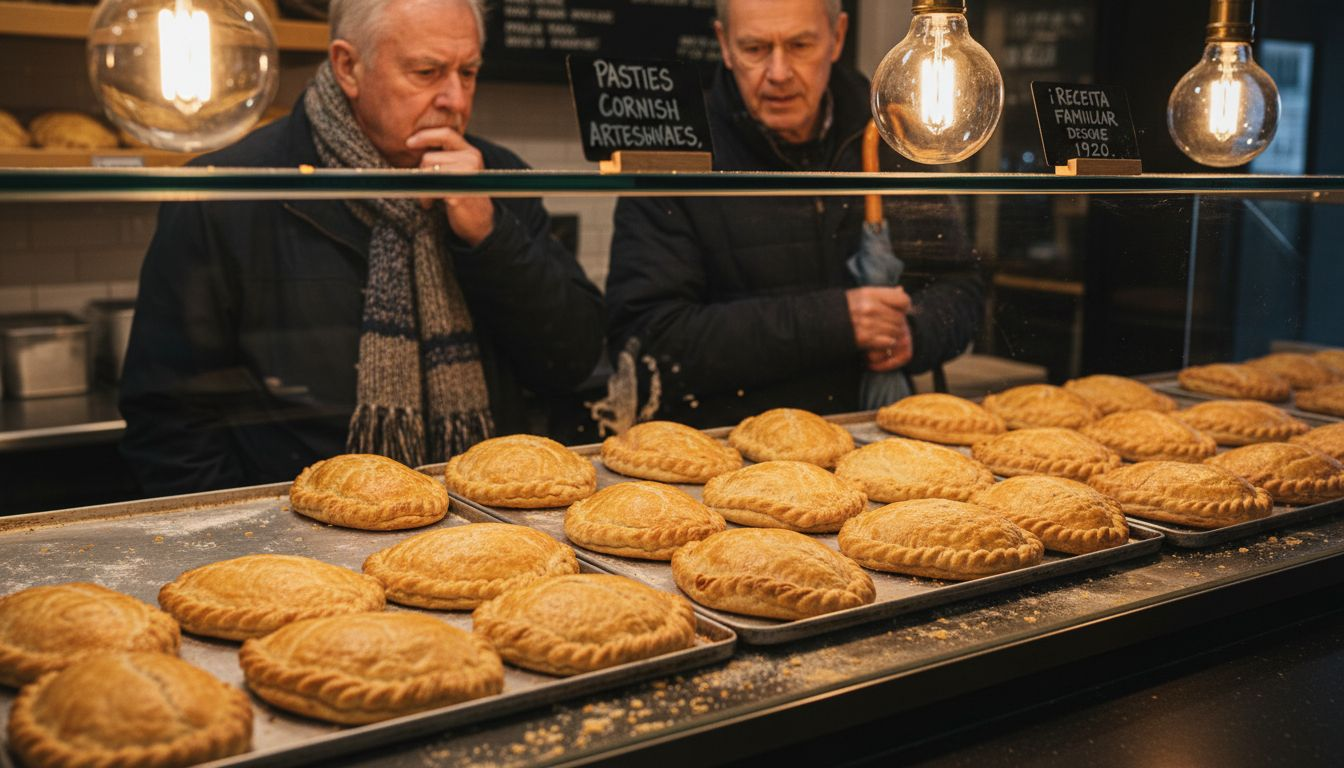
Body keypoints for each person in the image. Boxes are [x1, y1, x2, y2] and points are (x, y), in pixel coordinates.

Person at [119, 0, 604, 496]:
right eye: (427, 72)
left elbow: (573, 360)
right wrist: (247, 526)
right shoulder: (229, 190)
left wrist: (490, 235)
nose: (455, 99)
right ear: (348, 67)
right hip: (301, 520)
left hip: (480, 514)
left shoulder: (499, 177)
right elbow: (169, 418)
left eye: (468, 72)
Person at [604, 0, 985, 429]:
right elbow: (645, 342)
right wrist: (836, 321)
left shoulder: (888, 131)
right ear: (724, 45)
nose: (779, 73)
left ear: (837, 37)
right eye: (754, 49)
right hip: (726, 445)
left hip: (872, 433)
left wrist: (914, 333)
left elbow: (961, 285)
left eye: (800, 45)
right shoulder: (676, 149)